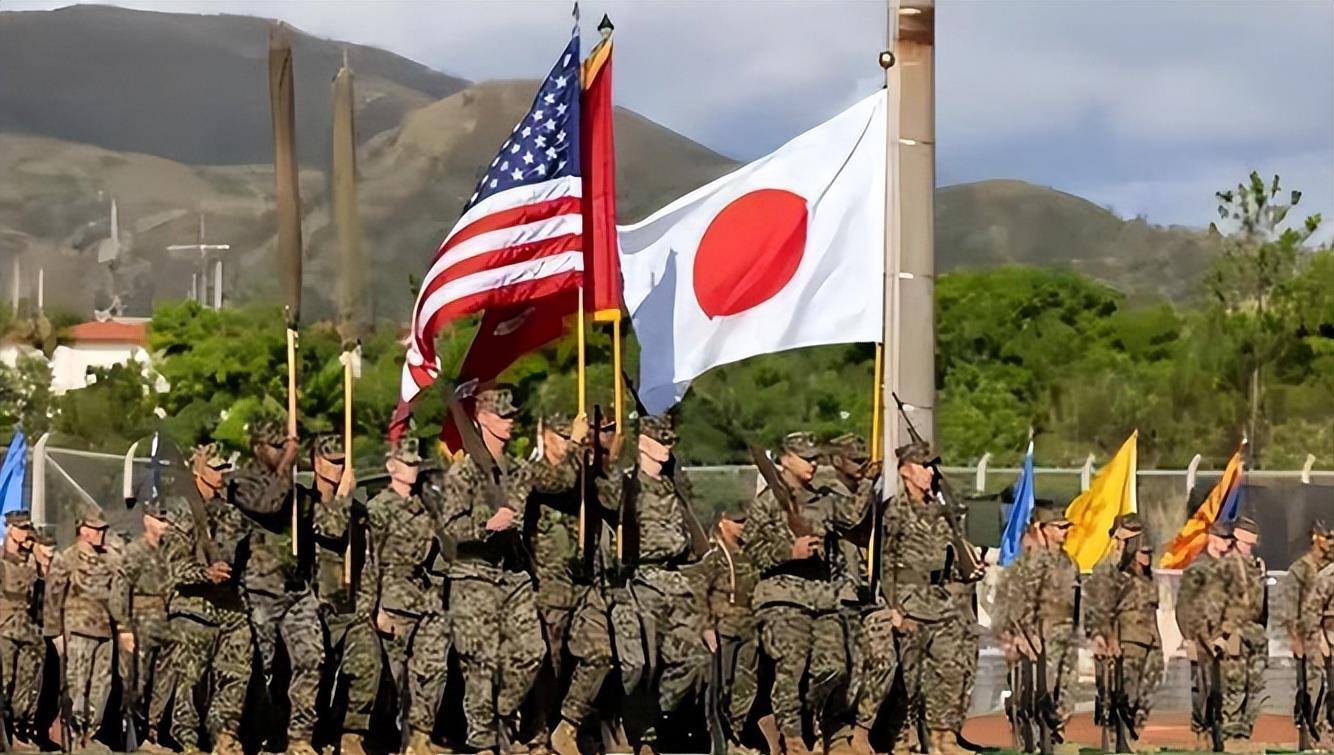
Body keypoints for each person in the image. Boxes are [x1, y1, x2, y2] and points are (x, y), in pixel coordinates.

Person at [743, 432, 864, 755]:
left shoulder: (823, 499)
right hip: (782, 598)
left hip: (822, 597)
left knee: (834, 666)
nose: (813, 464)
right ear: (785, 460)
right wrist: (789, 551)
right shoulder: (767, 502)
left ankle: (810, 720)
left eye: (815, 458)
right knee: (792, 666)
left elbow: (855, 518)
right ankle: (792, 735)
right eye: (805, 458)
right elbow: (751, 549)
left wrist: (866, 481)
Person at [440, 387, 545, 754]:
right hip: (474, 575)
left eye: (512, 414)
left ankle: (502, 713)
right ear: (482, 418)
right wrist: (486, 525)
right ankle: (482, 741)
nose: (510, 421)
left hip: (513, 575)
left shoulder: (519, 470)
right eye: (503, 415)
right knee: (480, 662)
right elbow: (449, 530)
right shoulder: (463, 472)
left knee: (532, 651)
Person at [885, 442, 981, 755]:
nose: (930, 472)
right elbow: (884, 563)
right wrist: (893, 608)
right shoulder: (894, 511)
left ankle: (944, 738)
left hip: (940, 603)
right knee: (907, 678)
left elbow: (952, 555)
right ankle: (901, 739)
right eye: (924, 466)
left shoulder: (940, 511)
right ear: (905, 470)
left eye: (931, 466)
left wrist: (967, 569)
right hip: (909, 602)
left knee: (949, 671)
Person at [367, 437, 450, 755]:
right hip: (393, 600)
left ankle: (420, 736)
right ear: (391, 466)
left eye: (416, 463)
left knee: (431, 670)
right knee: (396, 678)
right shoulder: (379, 508)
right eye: (407, 462)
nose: (413, 468)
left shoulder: (425, 506)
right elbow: (371, 562)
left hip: (424, 600)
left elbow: (438, 554)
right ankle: (396, 740)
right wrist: (376, 608)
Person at [228, 419, 308, 750]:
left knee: (304, 660)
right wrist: (287, 462)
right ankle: (253, 734)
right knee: (262, 665)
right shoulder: (241, 481)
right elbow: (267, 506)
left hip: (292, 588)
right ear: (258, 447)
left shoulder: (291, 480)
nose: (283, 452)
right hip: (259, 588)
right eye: (277, 447)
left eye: (285, 446)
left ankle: (293, 734)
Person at [301, 434, 376, 755]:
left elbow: (366, 557)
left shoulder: (356, 509)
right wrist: (343, 496)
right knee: (314, 672)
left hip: (349, 604)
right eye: (333, 462)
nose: (340, 468)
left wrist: (368, 605)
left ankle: (351, 733)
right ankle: (303, 734)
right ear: (317, 463)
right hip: (313, 602)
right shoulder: (305, 503)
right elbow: (329, 529)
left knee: (366, 661)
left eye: (344, 462)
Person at [43, 509, 128, 750]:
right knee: (77, 685)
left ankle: (89, 734)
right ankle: (73, 734)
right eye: (96, 529)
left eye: (103, 529)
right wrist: (55, 633)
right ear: (84, 529)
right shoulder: (68, 557)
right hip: (78, 629)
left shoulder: (109, 559)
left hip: (104, 631)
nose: (101, 534)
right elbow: (53, 596)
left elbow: (118, 592)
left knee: (101, 686)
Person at [1000, 505, 1078, 753]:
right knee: (1036, 692)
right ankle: (1031, 738)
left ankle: (1055, 734)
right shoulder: (1029, 562)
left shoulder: (1069, 562)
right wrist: (1023, 636)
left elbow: (1076, 600)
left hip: (1064, 634)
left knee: (1065, 692)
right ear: (1042, 529)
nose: (1064, 531)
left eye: (1065, 526)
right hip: (1037, 635)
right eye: (1059, 527)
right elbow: (1015, 601)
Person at [696, 512, 771, 754]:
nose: (743, 526)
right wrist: (706, 627)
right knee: (721, 688)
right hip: (724, 631)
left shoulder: (751, 556)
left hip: (749, 630)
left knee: (746, 687)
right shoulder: (713, 558)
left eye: (745, 521)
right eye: (737, 521)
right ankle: (722, 741)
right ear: (722, 522)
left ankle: (737, 738)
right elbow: (699, 595)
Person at [1086, 514, 1162, 751]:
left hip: (1149, 640)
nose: (1145, 556)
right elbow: (1100, 606)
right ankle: (1116, 740)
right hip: (1124, 640)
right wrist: (1107, 639)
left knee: (1146, 692)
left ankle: (1132, 734)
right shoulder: (1110, 569)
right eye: (1140, 550)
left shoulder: (1146, 577)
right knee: (1119, 694)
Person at [1175, 520, 1243, 751]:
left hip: (1226, 636)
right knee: (1202, 687)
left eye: (1230, 539)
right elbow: (1184, 606)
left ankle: (1222, 733)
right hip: (1201, 637)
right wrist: (1189, 637)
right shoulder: (1197, 568)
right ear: (1212, 538)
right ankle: (1201, 730)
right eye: (1224, 539)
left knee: (1227, 686)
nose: (1228, 543)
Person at [117, 498, 175, 753]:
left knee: (163, 680)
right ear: (147, 520)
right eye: (160, 519)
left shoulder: (168, 552)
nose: (165, 525)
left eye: (166, 520)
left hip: (165, 622)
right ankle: (134, 733)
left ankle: (153, 732)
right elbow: (121, 589)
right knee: (137, 681)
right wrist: (124, 628)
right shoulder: (134, 551)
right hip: (140, 622)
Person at [0, 511, 44, 750]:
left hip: (27, 630)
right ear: (10, 529)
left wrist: (36, 551)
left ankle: (18, 730)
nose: (26, 533)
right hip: (4, 628)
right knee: (4, 684)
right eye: (21, 528)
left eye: (28, 528)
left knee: (25, 684)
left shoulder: (31, 561)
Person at [1286, 522, 1331, 746]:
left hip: (1328, 633)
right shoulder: (1301, 569)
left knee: (1328, 686)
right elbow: (1292, 606)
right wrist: (1296, 638)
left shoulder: (1329, 566)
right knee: (1312, 685)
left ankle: (1324, 731)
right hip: (1310, 635)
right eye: (1327, 537)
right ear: (1315, 538)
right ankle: (1310, 734)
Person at [1224, 517, 1267, 749]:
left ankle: (1245, 734)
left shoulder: (1258, 565)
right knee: (1235, 687)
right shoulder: (1226, 565)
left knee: (1256, 688)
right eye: (1245, 542)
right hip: (1235, 633)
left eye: (1252, 543)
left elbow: (1264, 604)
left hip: (1256, 633)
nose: (1249, 547)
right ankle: (1231, 736)